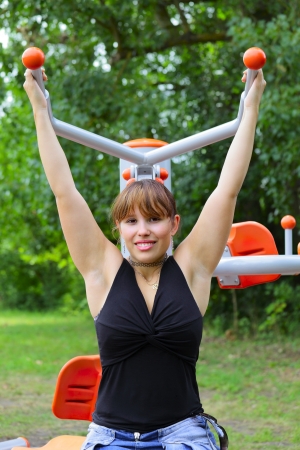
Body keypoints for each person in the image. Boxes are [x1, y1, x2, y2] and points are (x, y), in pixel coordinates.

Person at [23, 66, 266, 450]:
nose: (144, 230)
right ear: (118, 227)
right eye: (132, 221)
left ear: (174, 224)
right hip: (110, 437)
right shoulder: (101, 270)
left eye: (154, 219)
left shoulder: (192, 268)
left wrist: (250, 107)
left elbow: (227, 189)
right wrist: (39, 107)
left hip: (182, 434)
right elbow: (64, 191)